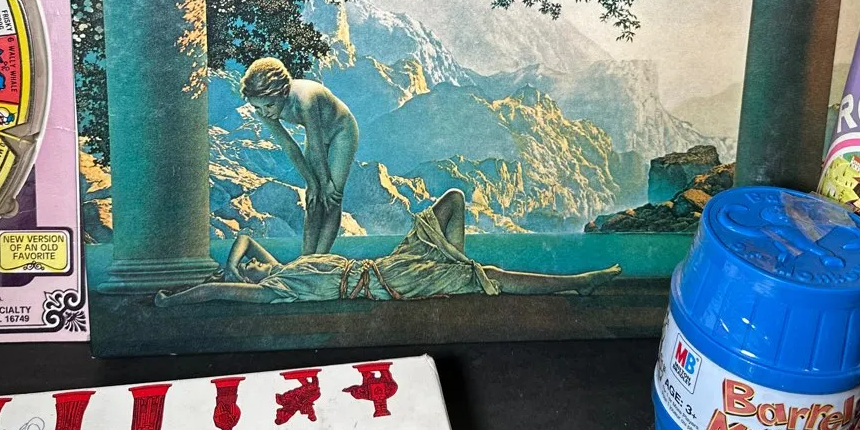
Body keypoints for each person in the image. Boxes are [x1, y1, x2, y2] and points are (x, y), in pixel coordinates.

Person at [156, 189, 621, 305]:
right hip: (390, 282)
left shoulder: (283, 268)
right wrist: (172, 300)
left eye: (252, 269)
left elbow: (245, 239)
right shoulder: (276, 290)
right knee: (491, 277)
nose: (254, 268)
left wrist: (234, 265)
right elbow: (212, 292)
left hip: (391, 263)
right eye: (251, 271)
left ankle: (458, 264)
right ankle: (577, 282)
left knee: (453, 200)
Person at [240, 57, 358, 255]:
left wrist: (326, 183)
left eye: (269, 106)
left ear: (284, 92)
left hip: (341, 132)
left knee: (331, 198)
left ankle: (319, 258)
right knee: (313, 198)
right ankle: (306, 257)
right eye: (258, 108)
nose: (264, 113)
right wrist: (312, 183)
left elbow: (316, 143)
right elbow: (289, 146)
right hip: (317, 138)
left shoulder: (305, 101)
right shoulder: (262, 108)